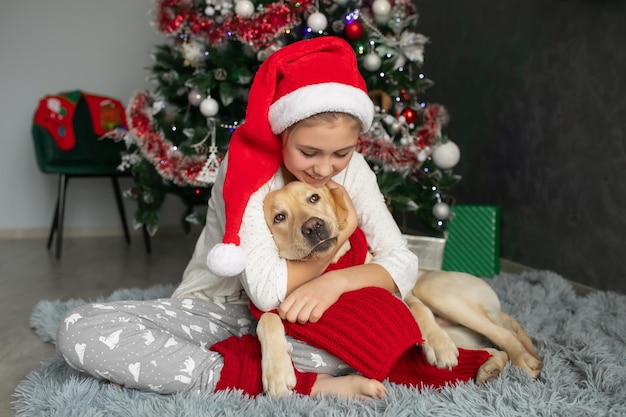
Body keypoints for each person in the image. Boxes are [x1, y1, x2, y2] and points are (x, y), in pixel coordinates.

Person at [56, 36, 427, 399]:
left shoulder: (355, 170)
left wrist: (336, 283)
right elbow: (266, 293)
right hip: (223, 309)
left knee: (368, 336)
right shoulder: (248, 170)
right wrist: (340, 237)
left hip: (312, 316)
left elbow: (403, 261)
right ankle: (304, 382)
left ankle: (191, 372)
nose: (324, 169)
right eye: (309, 152)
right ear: (281, 133)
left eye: (341, 154)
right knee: (79, 330)